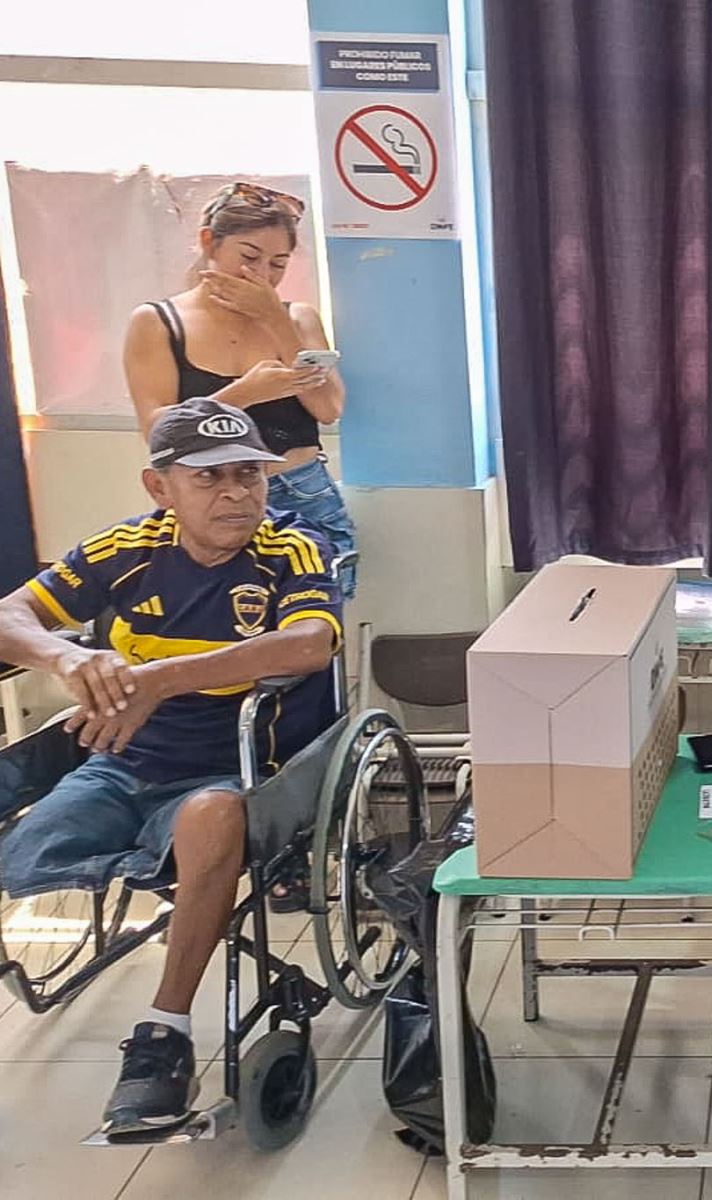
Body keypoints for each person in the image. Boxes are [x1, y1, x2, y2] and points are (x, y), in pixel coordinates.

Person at [0, 398, 343, 1133]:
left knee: (212, 817)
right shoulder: (122, 551)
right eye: (211, 478)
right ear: (161, 488)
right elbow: (9, 615)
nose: (237, 493)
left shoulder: (291, 551)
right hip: (120, 763)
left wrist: (155, 681)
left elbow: (309, 644)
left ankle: (164, 1033)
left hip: (244, 766)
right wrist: (72, 655)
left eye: (250, 475)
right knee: (27, 836)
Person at [122, 181, 356, 595]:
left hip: (301, 487)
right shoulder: (157, 322)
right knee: (220, 626)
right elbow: (158, 431)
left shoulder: (297, 317)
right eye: (249, 257)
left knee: (312, 630)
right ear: (209, 242)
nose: (262, 276)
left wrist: (274, 320)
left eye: (278, 264)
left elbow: (329, 407)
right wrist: (243, 394)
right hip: (210, 497)